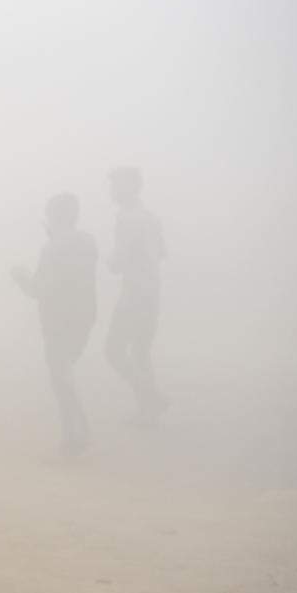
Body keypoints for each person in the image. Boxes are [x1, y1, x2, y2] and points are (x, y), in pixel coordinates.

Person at [12, 193, 98, 456]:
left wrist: (20, 276)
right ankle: (80, 431)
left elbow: (40, 289)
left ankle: (74, 437)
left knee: (60, 376)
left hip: (58, 319)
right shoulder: (88, 241)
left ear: (54, 216)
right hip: (85, 315)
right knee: (65, 370)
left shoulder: (52, 248)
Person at [104, 166, 168, 422]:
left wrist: (108, 260)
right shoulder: (151, 217)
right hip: (153, 290)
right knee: (141, 350)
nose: (112, 190)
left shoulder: (128, 218)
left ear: (131, 186)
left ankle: (150, 397)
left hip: (134, 292)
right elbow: (161, 253)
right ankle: (148, 410)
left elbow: (116, 263)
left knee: (113, 350)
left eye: (116, 184)